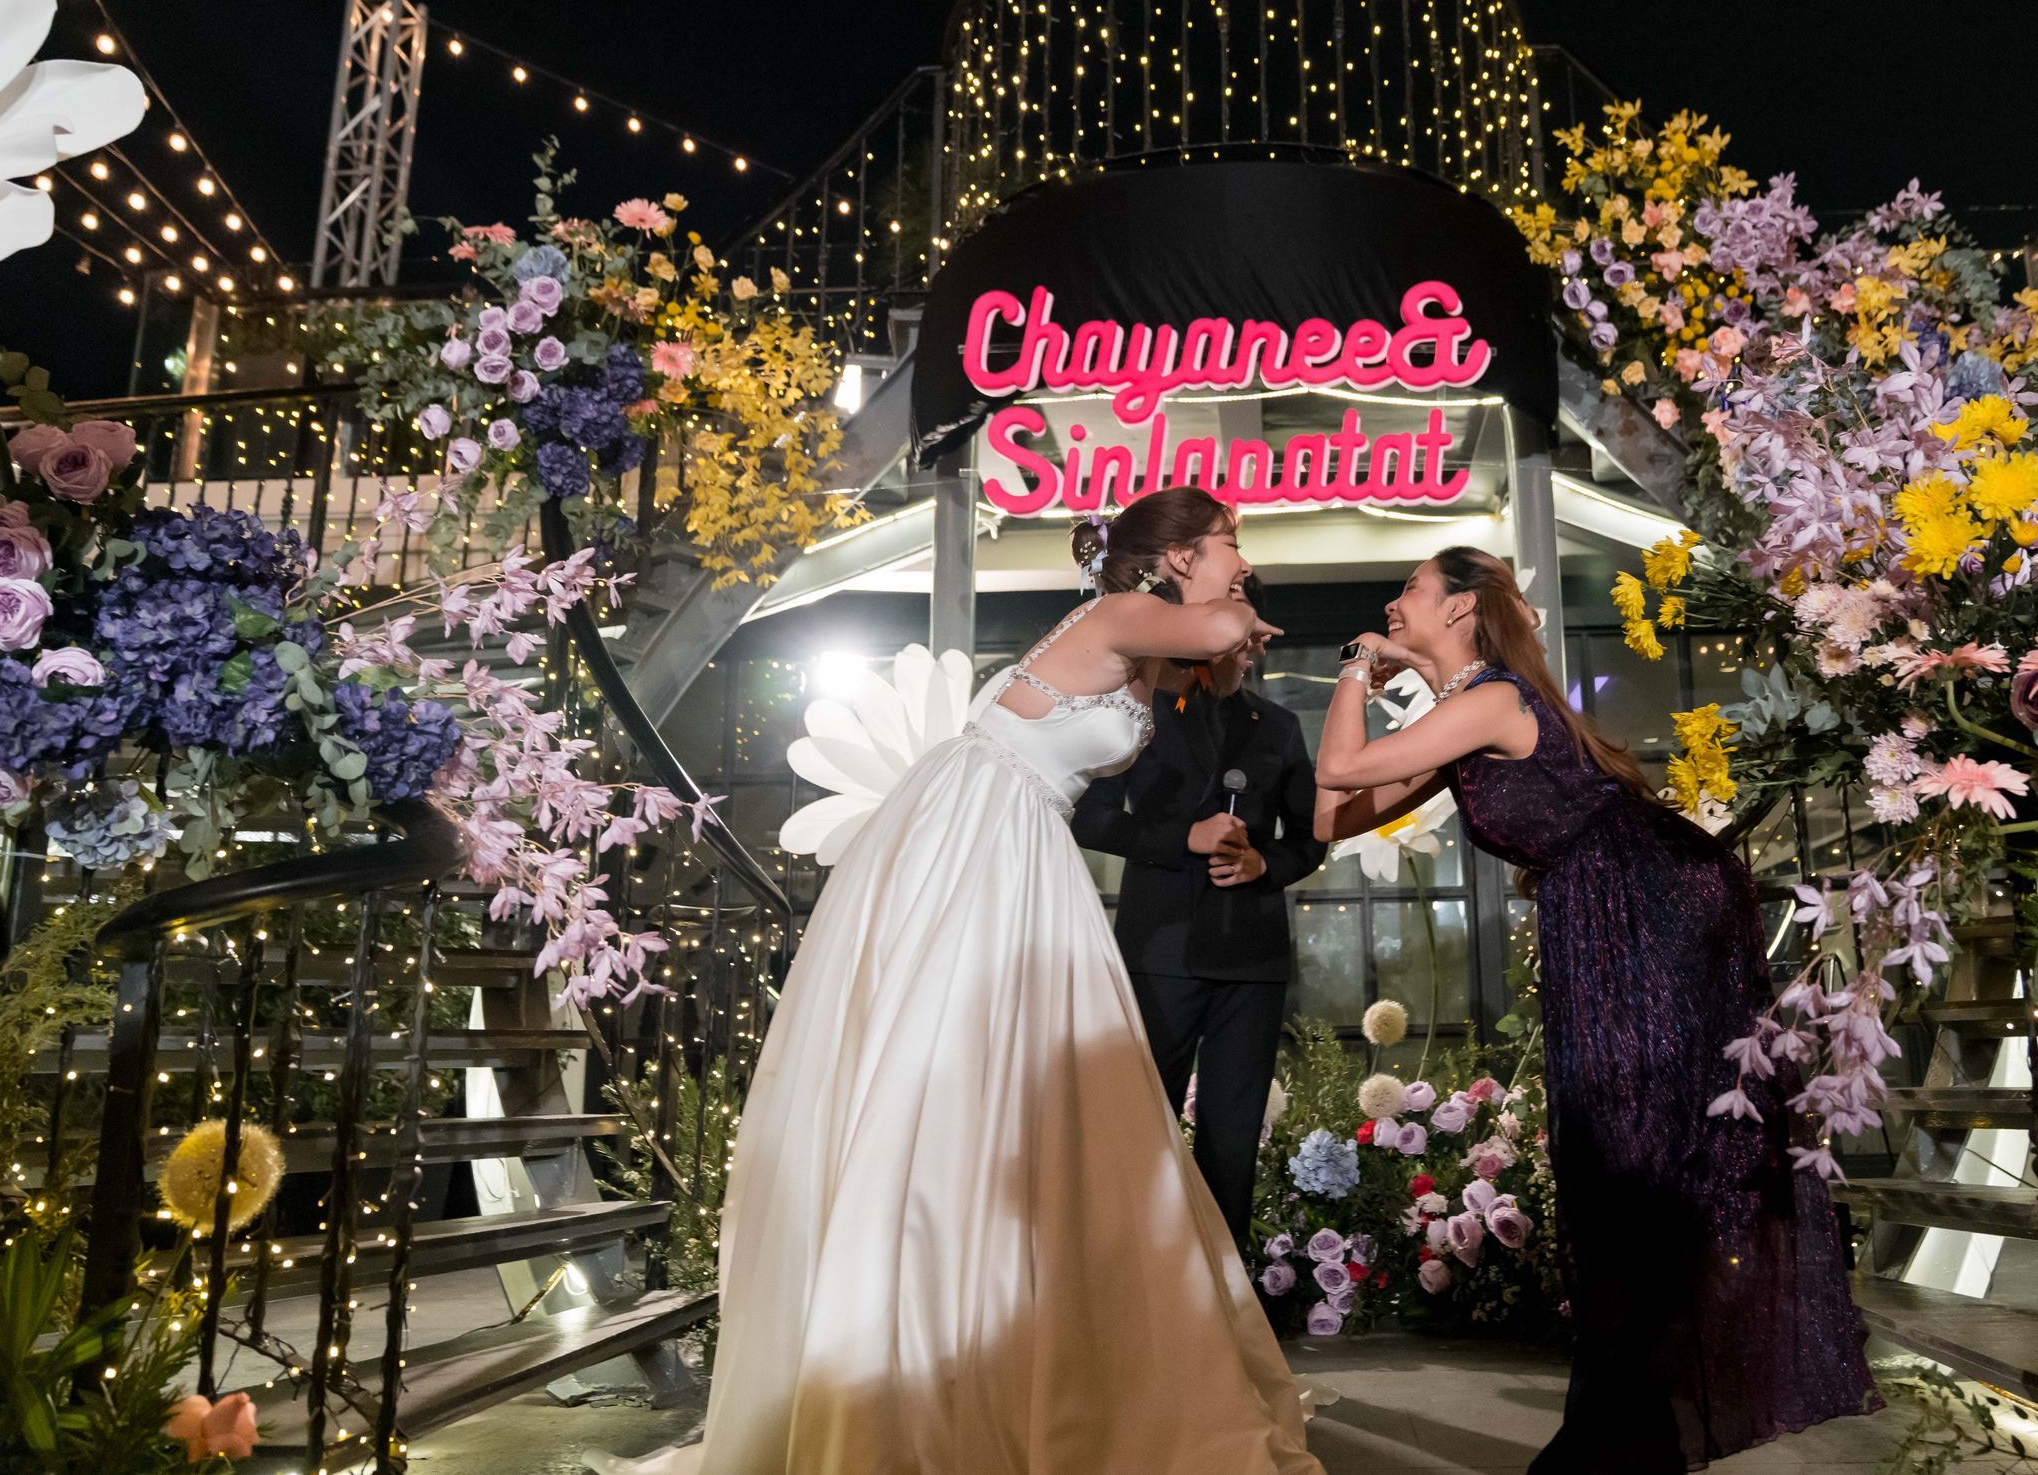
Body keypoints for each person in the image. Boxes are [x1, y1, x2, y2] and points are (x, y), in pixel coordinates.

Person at [629, 486, 1325, 1475]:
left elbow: (1206, 664)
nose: (1241, 562)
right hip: (983, 828)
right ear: (1176, 558)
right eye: (1228, 544)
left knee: (1023, 1083)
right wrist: (1236, 616)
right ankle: (904, 1334)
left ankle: (1003, 1328)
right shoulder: (1121, 611)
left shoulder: (1144, 647)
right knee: (948, 1052)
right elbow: (1215, 627)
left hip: (1023, 835)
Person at [1309, 547, 1877, 1474]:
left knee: (1634, 1157)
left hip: (1647, 903)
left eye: (1411, 587)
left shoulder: (1491, 698)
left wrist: (1356, 664)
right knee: (1616, 1165)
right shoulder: (1465, 713)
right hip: (1605, 911)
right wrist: (1394, 668)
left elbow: (1339, 762)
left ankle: (1625, 1435)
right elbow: (1334, 813)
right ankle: (1630, 1433)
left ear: (1460, 608)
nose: (1392, 600)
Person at [1073, 572, 1327, 1250]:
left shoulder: (1279, 725)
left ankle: (1225, 1294)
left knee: (1233, 1144)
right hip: (1160, 954)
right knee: (1143, 1130)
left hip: (1253, 961)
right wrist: (1183, 837)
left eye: (1247, 628)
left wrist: (1263, 864)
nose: (1239, 643)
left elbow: (1310, 838)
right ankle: (1134, 1283)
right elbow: (1090, 817)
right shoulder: (1141, 713)